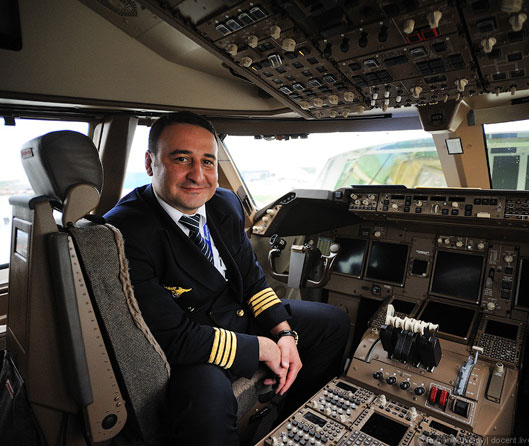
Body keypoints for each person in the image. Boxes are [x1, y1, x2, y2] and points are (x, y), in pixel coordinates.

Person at [104, 111, 349, 445]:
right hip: (195, 343)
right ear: (150, 163)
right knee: (205, 408)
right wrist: (261, 347)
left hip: (238, 316)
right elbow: (172, 337)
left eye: (207, 161)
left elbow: (251, 279)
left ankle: (291, 417)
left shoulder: (224, 202)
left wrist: (284, 333)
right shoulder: (124, 231)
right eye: (181, 159)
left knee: (333, 322)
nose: (198, 175)